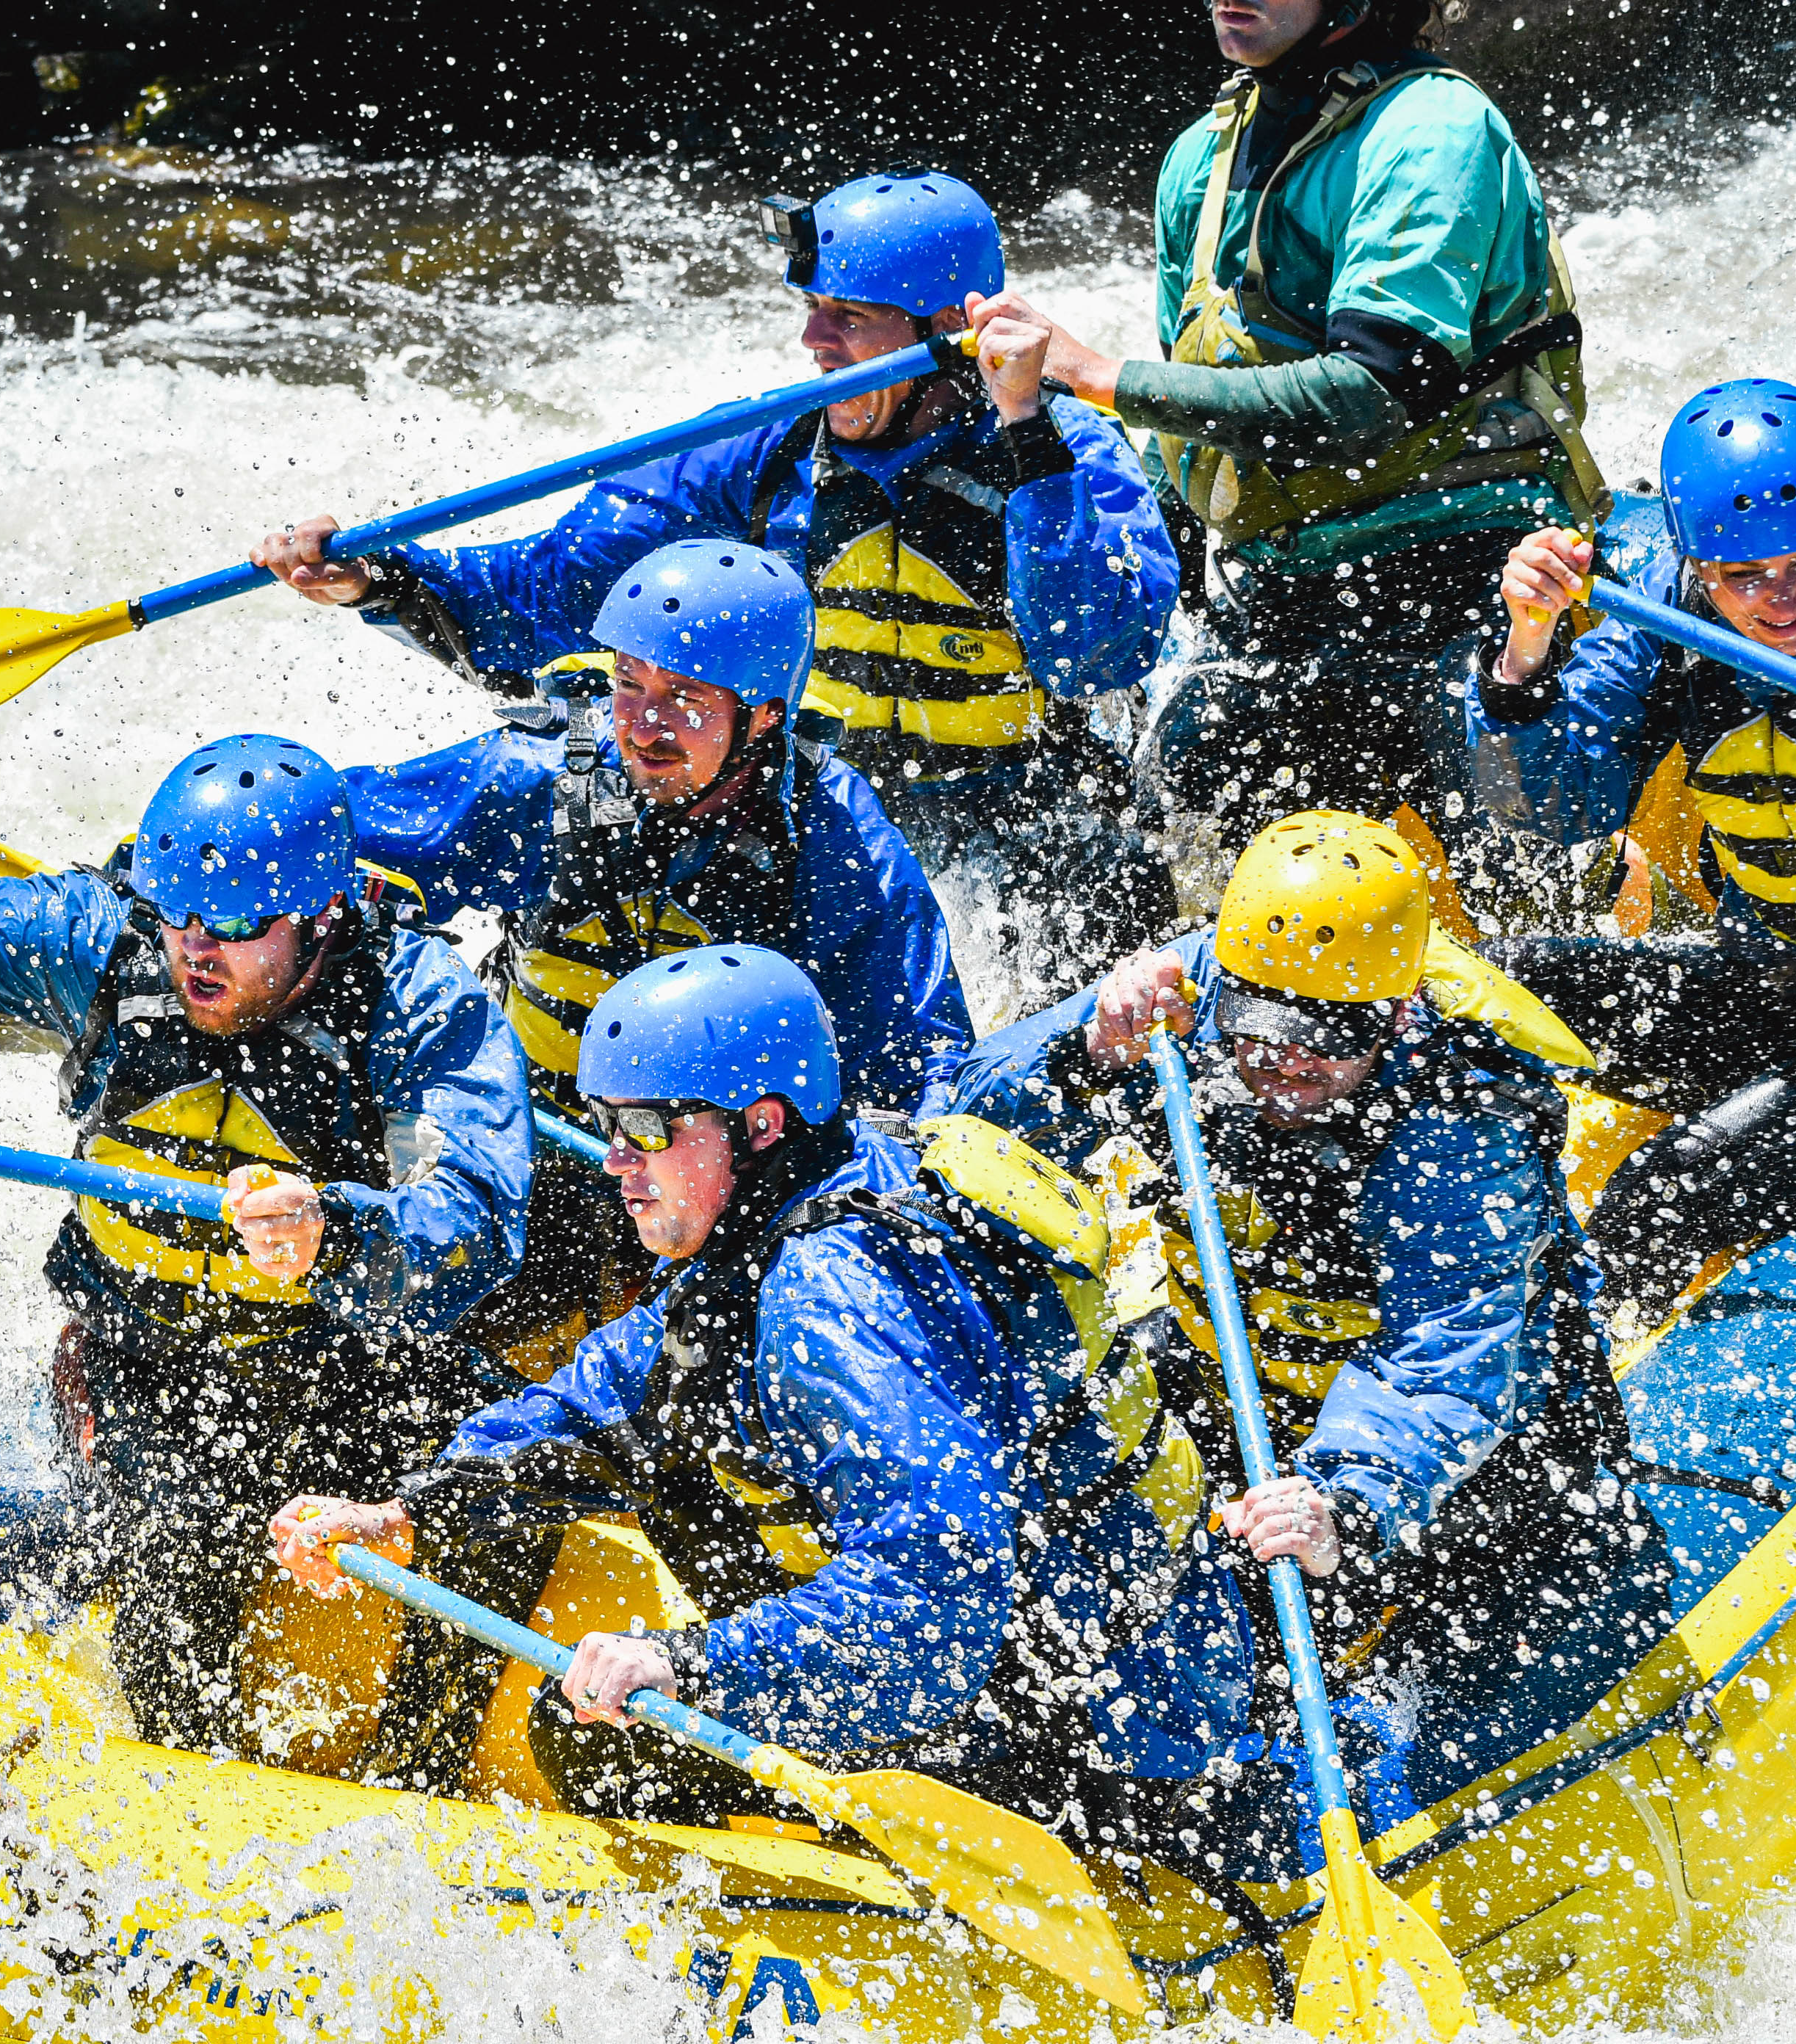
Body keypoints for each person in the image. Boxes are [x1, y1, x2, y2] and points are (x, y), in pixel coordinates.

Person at [272, 946, 1256, 1833]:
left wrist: (692, 1668)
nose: (616, 1162)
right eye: (605, 1125)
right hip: (1058, 1660)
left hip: (1100, 1737)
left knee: (597, 1741)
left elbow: (940, 1598)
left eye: (646, 1127)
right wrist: (405, 1509)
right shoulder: (811, 1197)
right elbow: (605, 1398)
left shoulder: (829, 1299)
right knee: (664, 1462)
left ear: (760, 1125)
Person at [0, 733, 534, 1756]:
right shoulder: (104, 942)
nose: (196, 950)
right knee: (175, 1555)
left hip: (340, 1363)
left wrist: (338, 1233)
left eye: (237, 926)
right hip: (146, 1371)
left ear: (323, 914)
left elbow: (479, 1219)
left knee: (509, 1484)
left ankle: (427, 1763)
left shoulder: (415, 1001)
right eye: (177, 913)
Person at [256, 171, 1180, 1014]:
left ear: (949, 329)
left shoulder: (1064, 449)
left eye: (849, 317)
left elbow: (1096, 654)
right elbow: (547, 595)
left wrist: (1025, 429)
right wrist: (381, 579)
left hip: (1026, 833)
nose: (813, 342)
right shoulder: (767, 451)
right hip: (822, 820)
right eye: (812, 310)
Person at [949, 810, 1670, 1810]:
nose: (1286, 1068)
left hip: (1467, 1459)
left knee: (1447, 1611)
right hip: (1240, 1384)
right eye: (1264, 1033)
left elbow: (1442, 1359)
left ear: (1396, 1015)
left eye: (1326, 1046)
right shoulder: (1188, 992)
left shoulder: (1462, 1124)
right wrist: (1082, 1052)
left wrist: (1344, 1506)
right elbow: (961, 1132)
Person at [968, 0, 1606, 896]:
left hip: (1467, 575)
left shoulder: (1434, 129)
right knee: (1146, 858)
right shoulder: (1201, 158)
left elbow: (1369, 396)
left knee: (1522, 898)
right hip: (1280, 589)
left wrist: (1099, 375)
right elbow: (1198, 413)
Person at [339, 537, 970, 1374]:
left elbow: (917, 1075)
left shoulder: (838, 847)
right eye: (629, 683)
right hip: (531, 1132)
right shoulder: (544, 778)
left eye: (685, 697)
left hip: (707, 1172)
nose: (642, 726)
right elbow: (319, 837)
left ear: (764, 715)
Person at [1469, 379, 1796, 1331]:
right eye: (1747, 575)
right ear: (1699, 567)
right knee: (1487, 996)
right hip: (1772, 984)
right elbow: (1555, 806)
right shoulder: (1671, 613)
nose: (1781, 600)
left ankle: (1598, 1378)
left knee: (1664, 1193)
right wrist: (1525, 656)